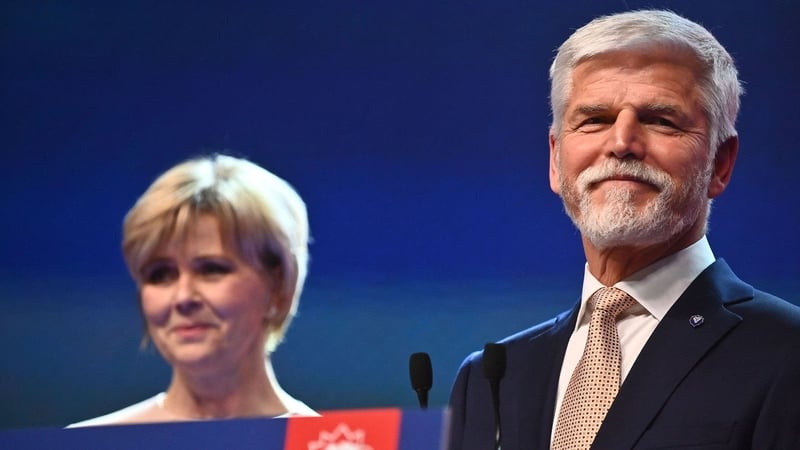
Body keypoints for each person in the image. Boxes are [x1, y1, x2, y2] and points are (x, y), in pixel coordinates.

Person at [448, 9, 800, 450]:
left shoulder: (787, 354)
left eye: (660, 120)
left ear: (720, 164)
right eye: (594, 119)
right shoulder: (490, 378)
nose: (621, 143)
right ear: (556, 160)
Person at [70, 154, 317, 427]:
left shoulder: (330, 445)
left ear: (278, 286)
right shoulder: (88, 444)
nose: (183, 297)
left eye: (211, 269)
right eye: (160, 274)